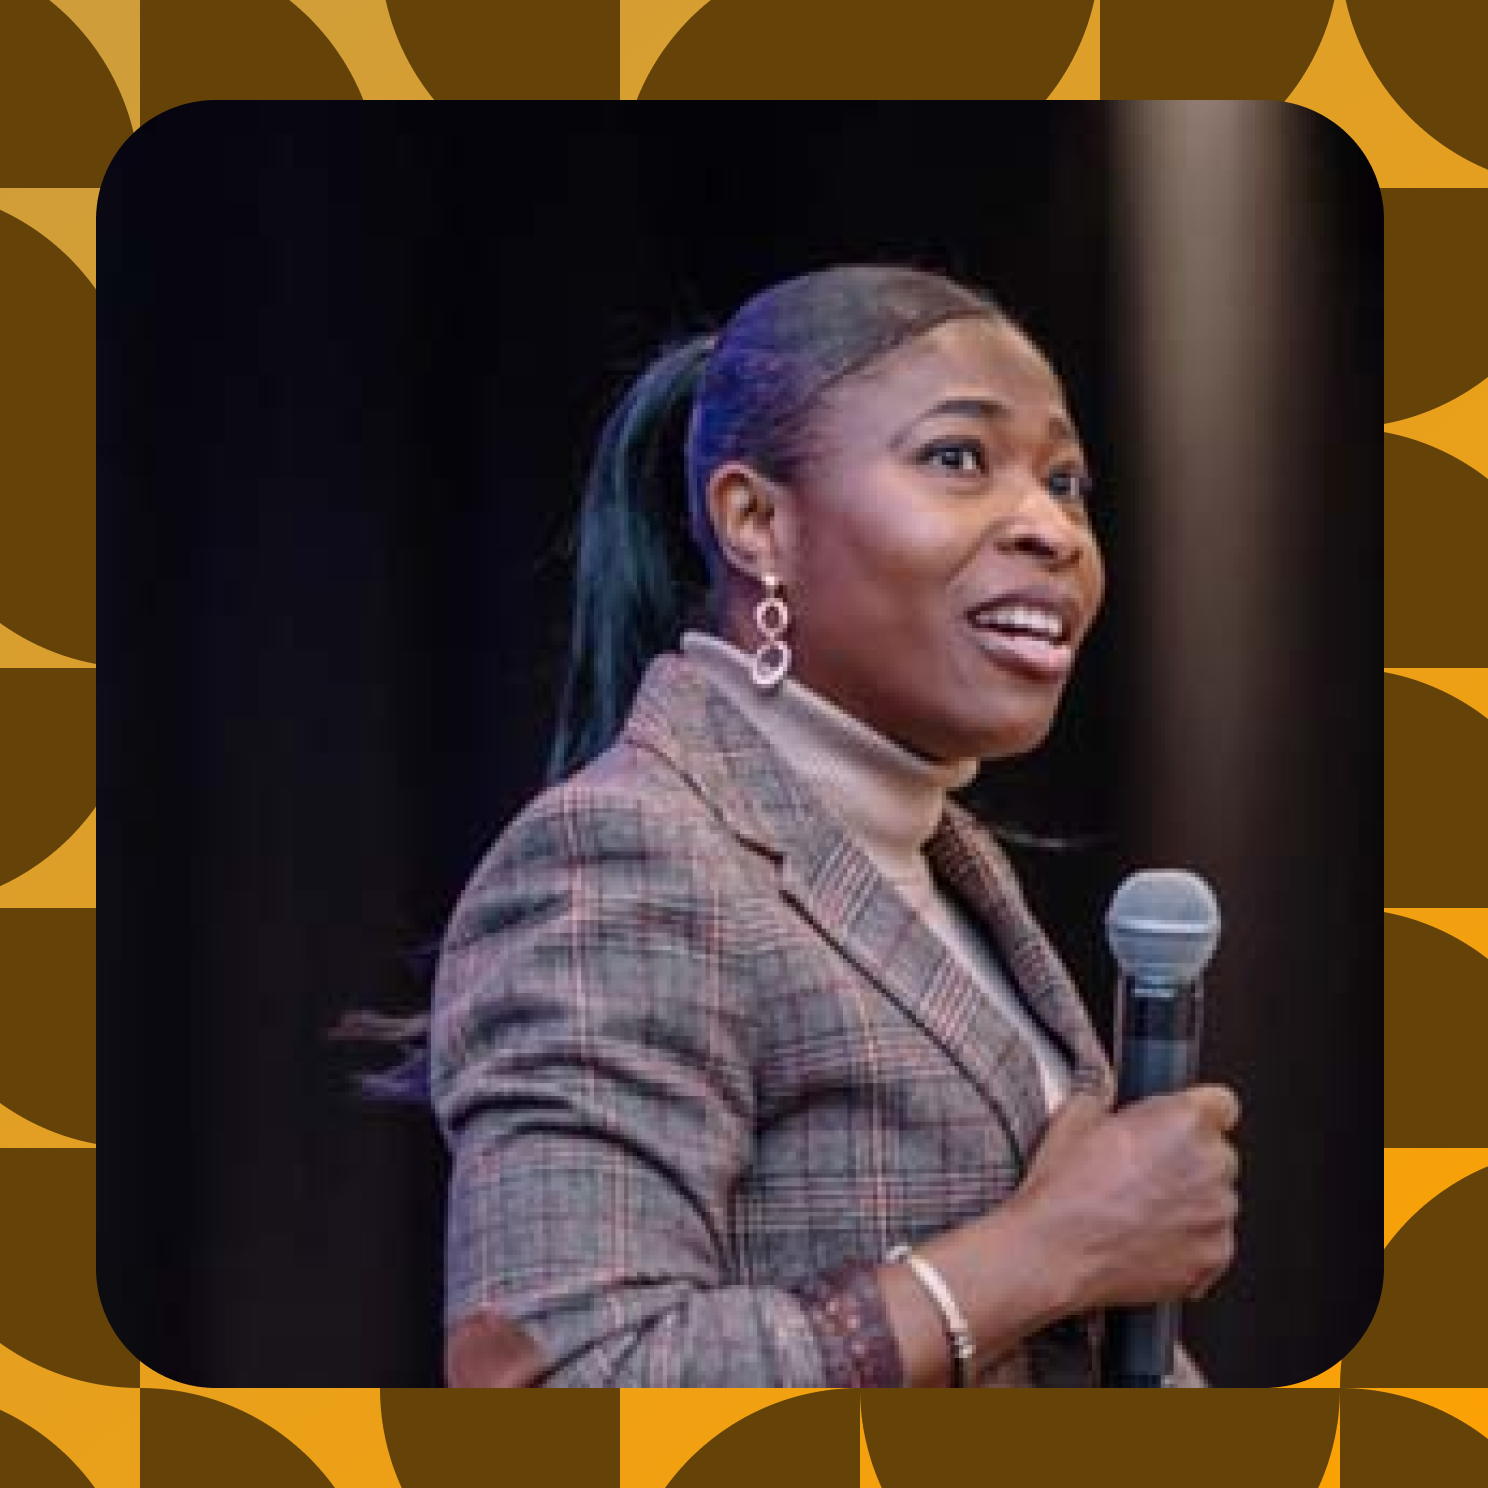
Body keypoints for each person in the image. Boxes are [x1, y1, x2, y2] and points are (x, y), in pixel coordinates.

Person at [431, 265, 1240, 1388]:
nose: (1051, 527)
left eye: (1066, 481)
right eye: (958, 458)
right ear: (757, 522)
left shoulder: (937, 861)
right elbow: (551, 1386)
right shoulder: (632, 856)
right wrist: (1041, 1254)